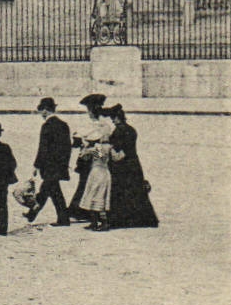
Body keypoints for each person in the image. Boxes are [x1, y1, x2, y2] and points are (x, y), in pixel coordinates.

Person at [105, 104, 159, 228]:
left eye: (113, 118)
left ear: (118, 118)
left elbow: (117, 152)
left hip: (122, 165)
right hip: (133, 164)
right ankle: (142, 219)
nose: (112, 121)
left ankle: (121, 220)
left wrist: (107, 147)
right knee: (136, 191)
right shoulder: (131, 129)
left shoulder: (119, 130)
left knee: (121, 191)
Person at [24, 97, 73, 226]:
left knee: (52, 191)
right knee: (48, 189)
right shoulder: (64, 125)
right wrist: (64, 163)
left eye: (41, 110)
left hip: (49, 166)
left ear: (45, 110)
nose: (41, 114)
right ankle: (32, 213)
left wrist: (36, 166)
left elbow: (43, 149)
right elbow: (68, 147)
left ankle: (63, 219)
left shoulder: (47, 126)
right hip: (60, 165)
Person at [67, 93, 112, 222]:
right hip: (92, 158)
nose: (89, 112)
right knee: (86, 184)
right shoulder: (102, 125)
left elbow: (99, 147)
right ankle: (82, 210)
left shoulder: (100, 126)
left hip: (94, 159)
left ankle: (83, 210)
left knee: (89, 184)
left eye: (90, 109)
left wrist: (87, 146)